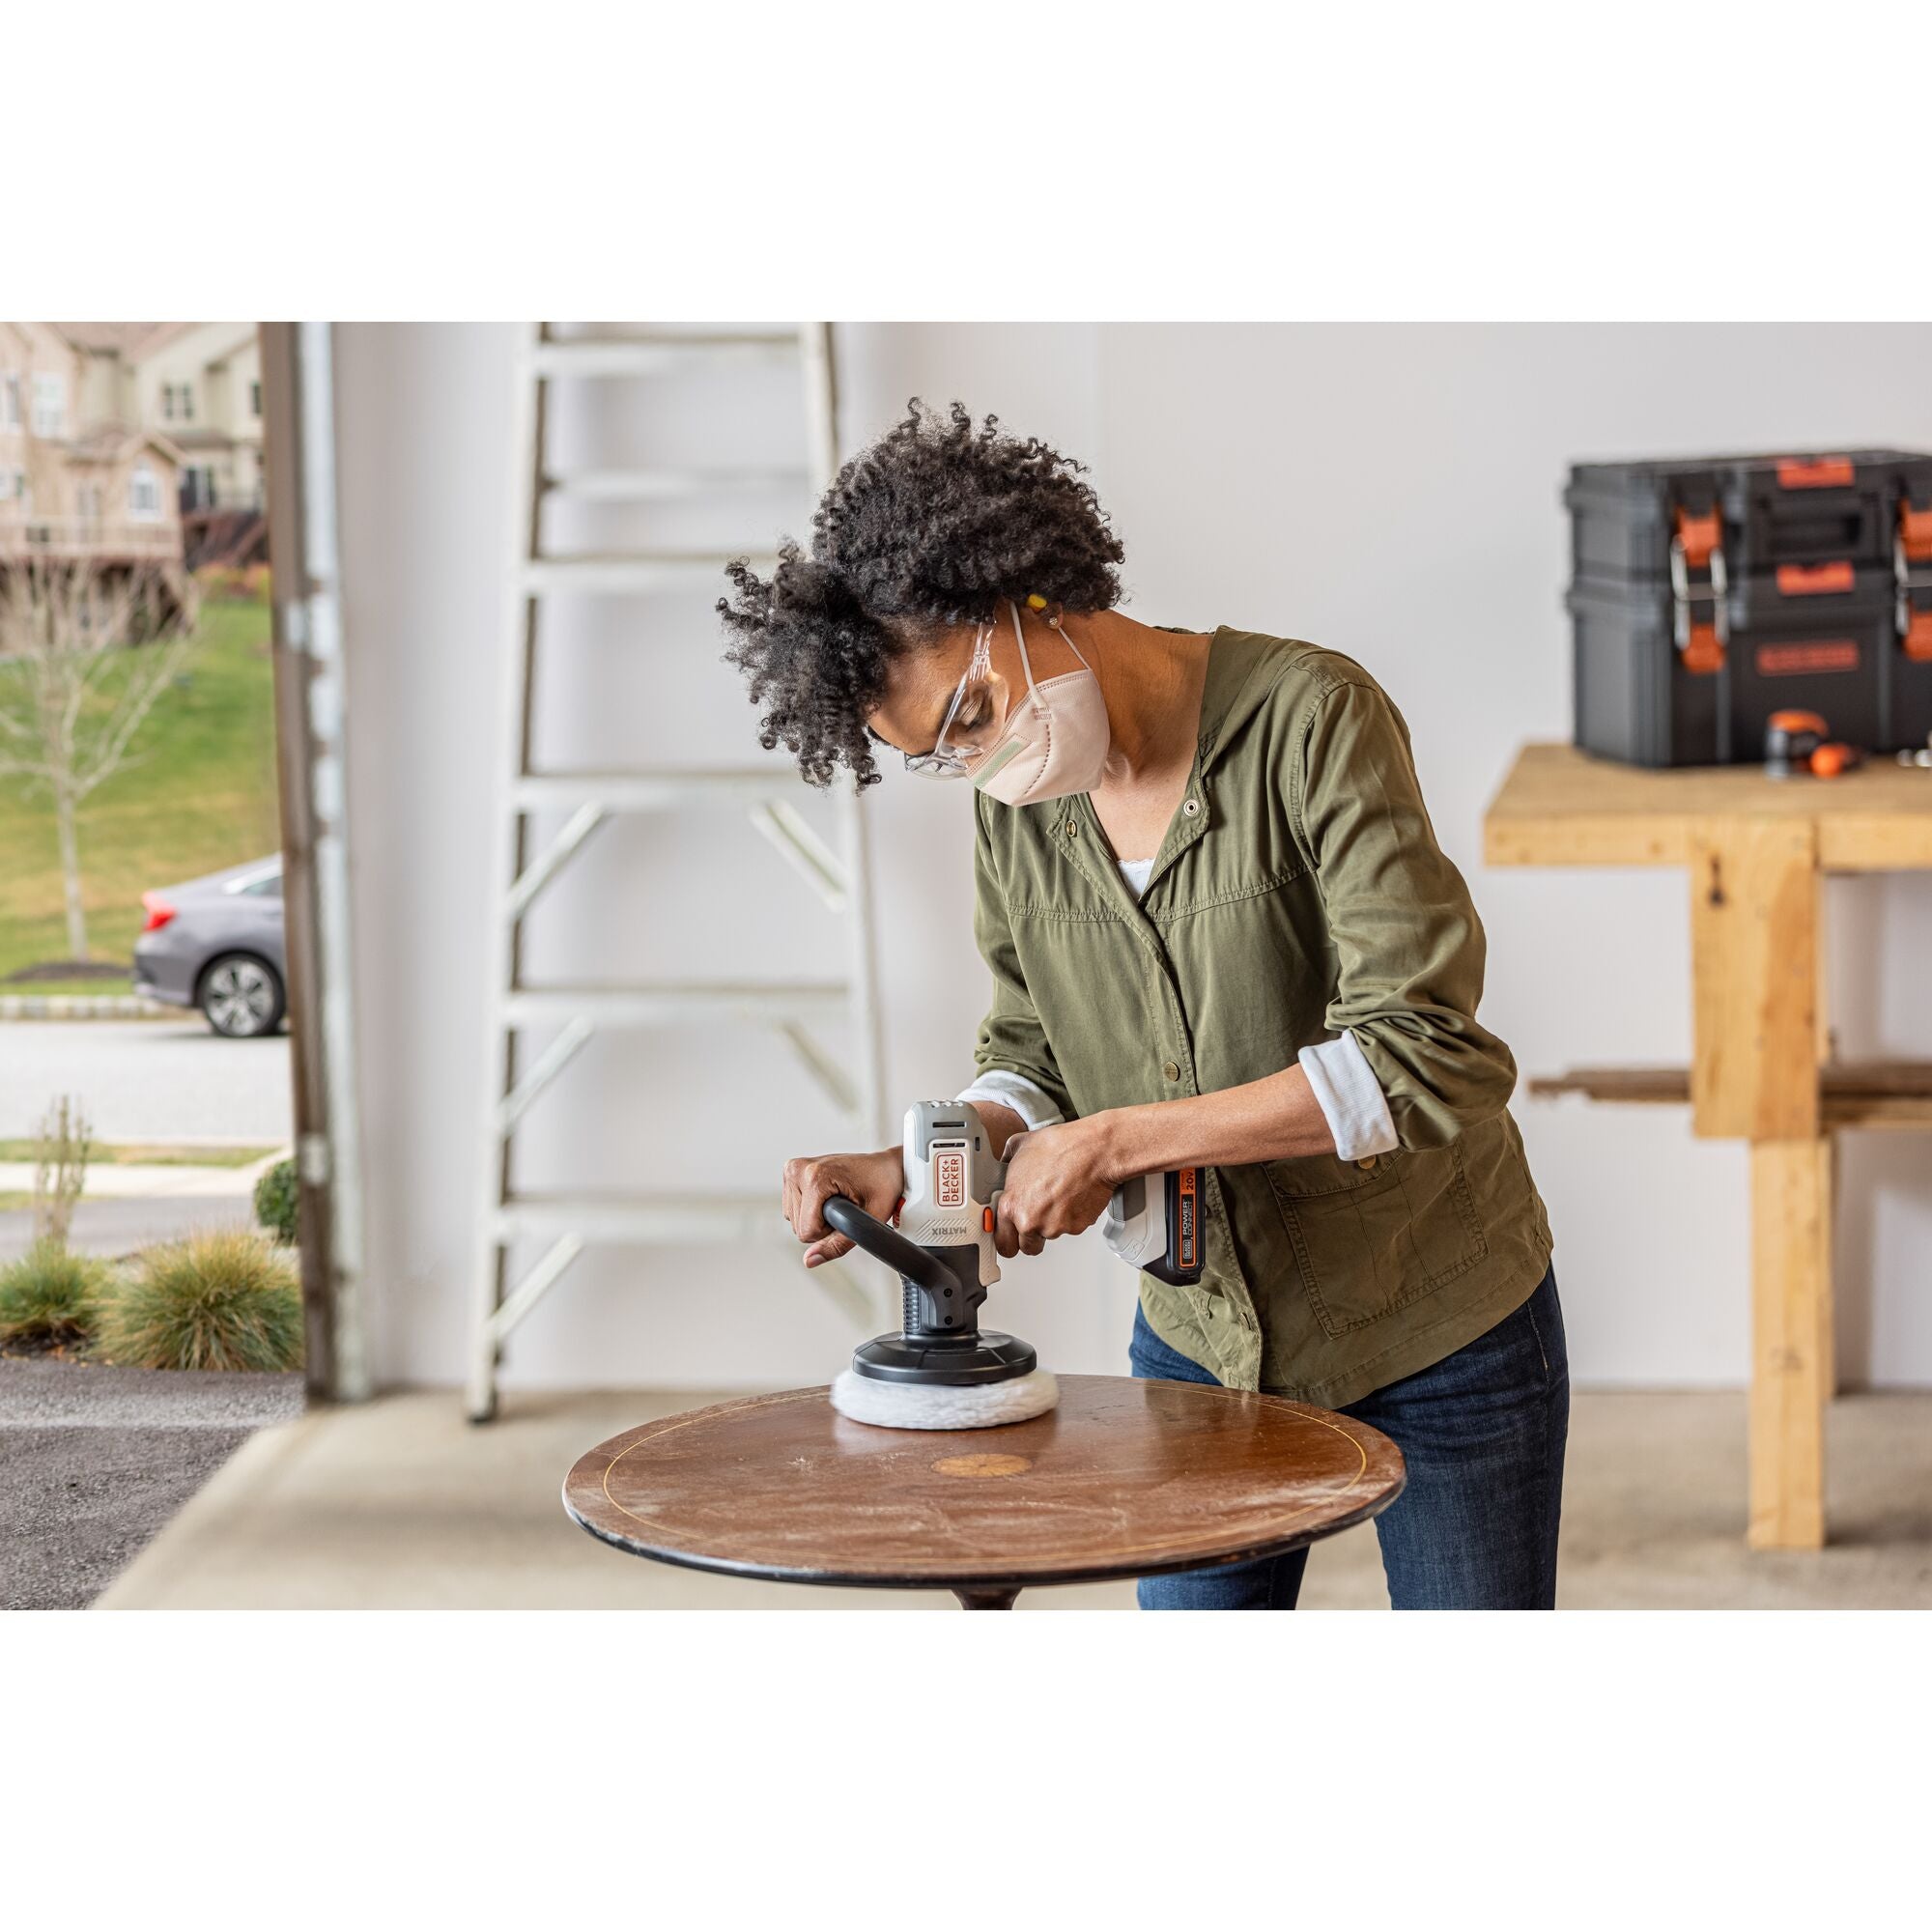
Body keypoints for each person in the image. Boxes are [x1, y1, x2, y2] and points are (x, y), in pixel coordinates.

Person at [720, 400, 1563, 1610]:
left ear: (1028, 594)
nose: (979, 759)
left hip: (1437, 1328)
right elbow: (1029, 1046)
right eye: (941, 753)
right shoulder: (1016, 809)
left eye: (969, 710)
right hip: (1199, 1343)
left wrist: (1114, 1141)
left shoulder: (1310, 720)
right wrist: (934, 1156)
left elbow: (1422, 1052)